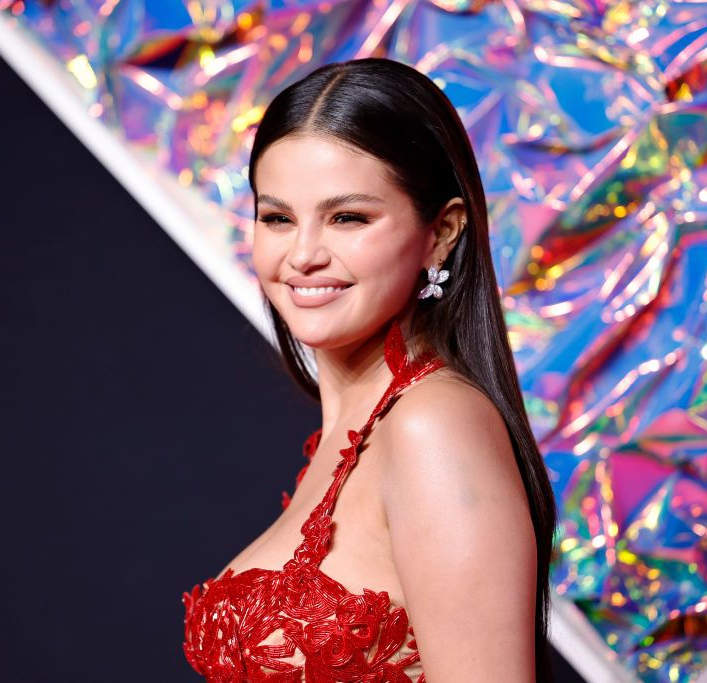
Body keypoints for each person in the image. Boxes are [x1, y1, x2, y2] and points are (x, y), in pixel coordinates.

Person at [182, 57, 558, 682]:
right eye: (278, 218)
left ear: (442, 233)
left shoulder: (433, 427)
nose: (302, 254)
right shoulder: (347, 433)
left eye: (347, 217)